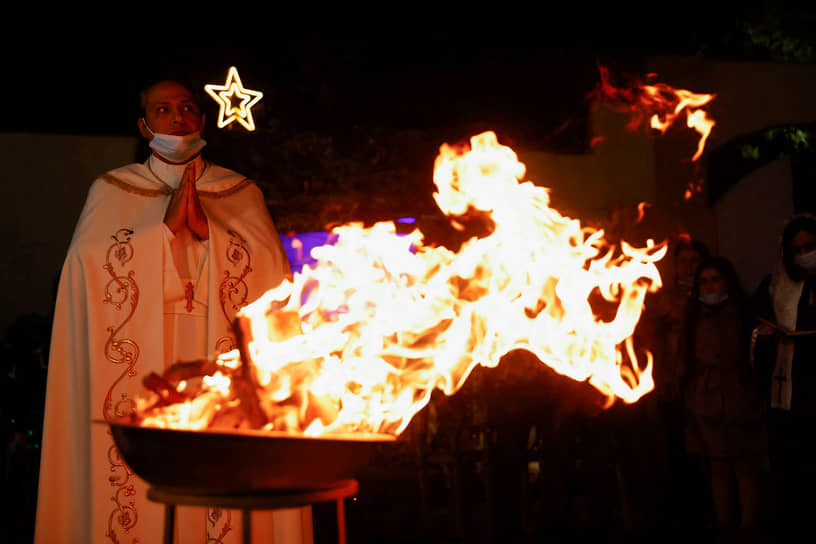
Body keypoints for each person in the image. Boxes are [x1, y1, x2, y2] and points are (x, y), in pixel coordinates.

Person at [34, 80, 302, 543]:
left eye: (186, 108)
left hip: (216, 356)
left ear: (201, 119)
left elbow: (273, 280)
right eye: (162, 109)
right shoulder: (114, 190)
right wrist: (161, 233)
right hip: (140, 357)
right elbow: (84, 270)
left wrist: (210, 234)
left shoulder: (239, 192)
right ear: (144, 125)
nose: (177, 117)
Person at [681, 257, 768, 541]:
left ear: (727, 280)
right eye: (704, 281)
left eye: (715, 279)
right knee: (717, 467)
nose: (709, 286)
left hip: (740, 397)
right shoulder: (692, 317)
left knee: (744, 465)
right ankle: (725, 527)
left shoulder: (743, 314)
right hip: (705, 401)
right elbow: (685, 358)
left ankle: (749, 528)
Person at [751, 213, 816, 538]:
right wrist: (765, 336)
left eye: (810, 246)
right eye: (798, 249)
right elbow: (754, 325)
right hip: (788, 393)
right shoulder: (776, 285)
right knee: (791, 469)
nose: (804, 254)